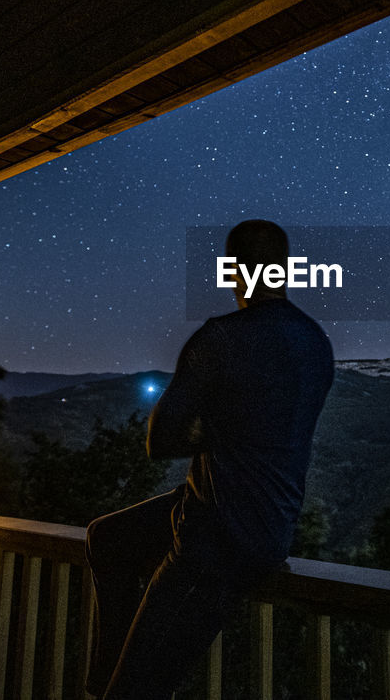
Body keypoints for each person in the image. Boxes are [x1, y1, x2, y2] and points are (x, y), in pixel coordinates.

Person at [84, 219, 334, 700]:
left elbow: (161, 439)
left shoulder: (220, 338)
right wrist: (234, 430)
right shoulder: (315, 343)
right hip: (268, 527)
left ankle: (115, 683)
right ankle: (110, 670)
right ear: (287, 270)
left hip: (219, 540)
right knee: (105, 538)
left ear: (235, 270)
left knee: (136, 691)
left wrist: (211, 429)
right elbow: (273, 431)